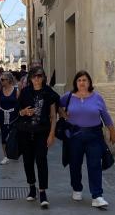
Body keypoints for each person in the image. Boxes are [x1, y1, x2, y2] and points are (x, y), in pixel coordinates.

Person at [59, 70, 115, 208]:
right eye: (79, 80)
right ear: (75, 83)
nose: (82, 83)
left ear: (89, 82)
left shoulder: (97, 98)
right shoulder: (69, 97)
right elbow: (56, 105)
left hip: (94, 136)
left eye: (84, 80)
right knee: (75, 164)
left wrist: (112, 131)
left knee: (94, 165)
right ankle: (77, 188)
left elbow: (105, 115)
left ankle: (97, 196)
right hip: (74, 137)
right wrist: (64, 115)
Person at [17, 66, 57, 208]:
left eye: (40, 76)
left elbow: (53, 115)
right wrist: (24, 112)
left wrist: (52, 134)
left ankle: (43, 192)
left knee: (41, 160)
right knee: (28, 161)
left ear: (44, 78)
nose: (37, 79)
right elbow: (18, 111)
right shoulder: (25, 92)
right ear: (30, 78)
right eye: (34, 76)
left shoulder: (48, 92)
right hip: (25, 132)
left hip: (42, 132)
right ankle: (32, 187)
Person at [0, 72, 19, 165]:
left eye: (3, 79)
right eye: (1, 79)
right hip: (2, 114)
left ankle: (15, 152)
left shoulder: (16, 90)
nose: (1, 81)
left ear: (9, 80)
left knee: (14, 135)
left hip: (14, 116)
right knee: (4, 135)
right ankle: (6, 156)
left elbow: (20, 104)